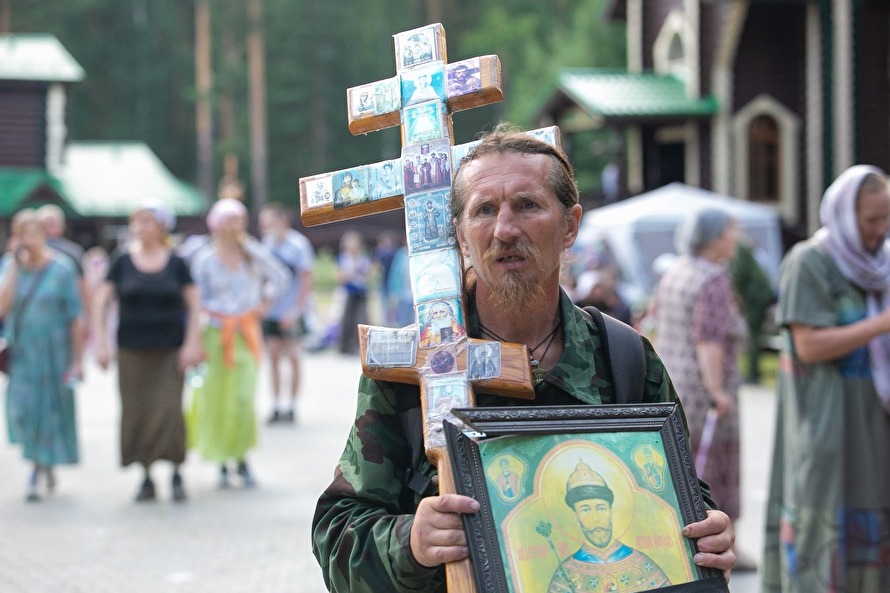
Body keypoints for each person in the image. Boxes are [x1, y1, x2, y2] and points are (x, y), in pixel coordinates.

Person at [311, 125, 736, 593]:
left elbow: (680, 497)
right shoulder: (415, 366)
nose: (505, 229)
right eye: (485, 210)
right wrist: (412, 542)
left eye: (528, 205)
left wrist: (708, 532)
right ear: (461, 235)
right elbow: (336, 537)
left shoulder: (624, 356)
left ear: (570, 224)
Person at [762, 165, 890, 593]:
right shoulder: (810, 262)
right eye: (871, 219)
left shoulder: (882, 264)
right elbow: (809, 345)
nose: (880, 229)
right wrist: (881, 324)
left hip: (875, 422)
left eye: (886, 217)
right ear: (844, 215)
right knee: (824, 522)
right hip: (826, 422)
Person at [91, 203, 204, 502]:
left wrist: (193, 342)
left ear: (161, 227)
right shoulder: (122, 261)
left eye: (147, 221)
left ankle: (177, 471)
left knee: (169, 411)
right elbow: (100, 301)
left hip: (170, 350)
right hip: (131, 350)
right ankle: (146, 473)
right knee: (137, 412)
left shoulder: (177, 262)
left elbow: (194, 305)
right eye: (136, 222)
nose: (140, 227)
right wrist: (100, 341)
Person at [653, 208, 746, 539]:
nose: (738, 237)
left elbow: (653, 319)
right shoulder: (713, 279)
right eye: (733, 230)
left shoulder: (677, 270)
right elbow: (709, 340)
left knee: (680, 462)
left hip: (674, 382)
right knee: (713, 466)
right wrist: (717, 390)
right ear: (716, 237)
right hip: (704, 388)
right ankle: (720, 537)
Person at [188, 198, 289, 487]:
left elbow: (281, 276)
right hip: (215, 334)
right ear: (217, 224)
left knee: (243, 398)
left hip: (245, 333)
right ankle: (221, 460)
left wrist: (264, 303)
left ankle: (242, 457)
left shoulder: (252, 253)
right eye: (230, 220)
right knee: (216, 399)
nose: (236, 227)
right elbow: (194, 299)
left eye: (240, 220)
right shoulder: (204, 259)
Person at [0, 209, 83, 501]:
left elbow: (75, 315)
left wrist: (77, 359)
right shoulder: (11, 267)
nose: (29, 240)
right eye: (23, 235)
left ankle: (39, 467)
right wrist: (12, 265)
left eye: (34, 234)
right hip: (23, 352)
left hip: (54, 353)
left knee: (48, 411)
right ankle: (39, 460)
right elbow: (3, 308)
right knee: (21, 410)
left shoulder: (62, 269)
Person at [547, 462, 671, 592]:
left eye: (601, 508)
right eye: (585, 510)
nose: (596, 518)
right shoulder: (565, 574)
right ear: (576, 517)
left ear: (611, 512)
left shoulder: (642, 565)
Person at [258, 202, 315, 424]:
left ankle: (291, 406)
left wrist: (296, 311)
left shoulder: (298, 245)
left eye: (268, 221)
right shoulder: (266, 246)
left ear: (280, 221)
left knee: (292, 356)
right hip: (272, 311)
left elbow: (306, 280)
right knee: (272, 357)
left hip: (291, 311)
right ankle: (275, 404)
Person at [728, 240, 775, 383]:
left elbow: (739, 274)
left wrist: (732, 292)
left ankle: (753, 374)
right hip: (757, 296)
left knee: (752, 334)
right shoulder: (741, 249)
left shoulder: (739, 248)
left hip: (756, 297)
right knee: (753, 334)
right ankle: (752, 372)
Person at [335, 231, 370, 355]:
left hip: (361, 292)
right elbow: (341, 276)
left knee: (362, 318)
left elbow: (368, 273)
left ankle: (361, 346)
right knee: (347, 319)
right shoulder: (343, 259)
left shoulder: (363, 257)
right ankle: (345, 346)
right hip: (349, 292)